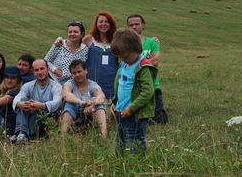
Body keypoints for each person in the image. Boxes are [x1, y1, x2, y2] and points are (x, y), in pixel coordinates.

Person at [110, 28, 157, 156]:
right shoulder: (123, 65)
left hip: (135, 115)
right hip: (121, 112)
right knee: (120, 141)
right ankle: (120, 163)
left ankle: (136, 165)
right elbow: (119, 85)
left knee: (134, 143)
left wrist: (132, 107)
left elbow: (148, 91)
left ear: (136, 49)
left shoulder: (143, 67)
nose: (122, 59)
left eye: (125, 55)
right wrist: (114, 102)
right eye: (119, 56)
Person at [57, 12, 119, 101]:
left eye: (106, 22)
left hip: (111, 79)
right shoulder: (89, 39)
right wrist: (61, 40)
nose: (103, 24)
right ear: (96, 24)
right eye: (101, 22)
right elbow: (75, 43)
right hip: (93, 78)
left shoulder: (116, 39)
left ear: (111, 24)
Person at [127, 14, 169, 124]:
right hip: (134, 87)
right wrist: (146, 60)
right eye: (131, 25)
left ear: (143, 25)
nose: (134, 27)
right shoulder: (126, 45)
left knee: (161, 119)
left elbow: (155, 62)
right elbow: (125, 64)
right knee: (138, 119)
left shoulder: (152, 42)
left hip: (153, 85)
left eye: (137, 24)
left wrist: (135, 62)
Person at [11, 59, 63, 144]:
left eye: (42, 69)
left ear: (48, 69)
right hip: (29, 114)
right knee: (22, 101)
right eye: (36, 70)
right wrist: (23, 104)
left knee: (42, 105)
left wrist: (41, 106)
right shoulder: (28, 85)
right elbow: (16, 99)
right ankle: (21, 134)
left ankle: (24, 135)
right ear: (33, 72)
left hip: (46, 119)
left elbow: (57, 102)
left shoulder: (56, 86)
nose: (39, 72)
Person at [61, 60, 107, 138]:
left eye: (79, 71)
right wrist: (82, 102)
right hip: (75, 116)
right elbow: (66, 95)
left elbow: (101, 96)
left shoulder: (92, 84)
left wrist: (92, 103)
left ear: (86, 71)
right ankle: (63, 136)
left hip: (90, 116)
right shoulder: (70, 83)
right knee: (69, 104)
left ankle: (103, 135)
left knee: (99, 106)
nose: (77, 75)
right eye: (74, 73)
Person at [45, 21, 89, 85]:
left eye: (75, 32)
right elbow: (46, 61)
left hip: (74, 84)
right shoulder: (60, 44)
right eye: (70, 32)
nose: (72, 34)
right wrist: (56, 71)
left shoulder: (85, 50)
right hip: (54, 81)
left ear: (81, 34)